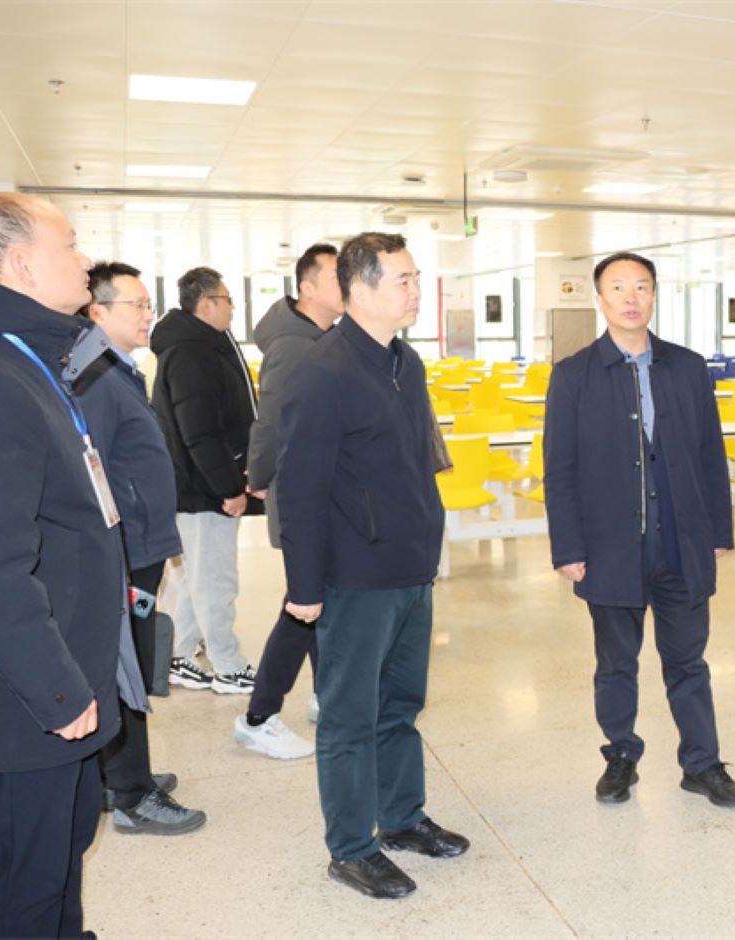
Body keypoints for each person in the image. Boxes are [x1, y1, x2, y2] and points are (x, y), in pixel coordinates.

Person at [276, 232, 467, 900]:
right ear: (358, 289)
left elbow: (417, 462)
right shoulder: (322, 372)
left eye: (416, 277)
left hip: (410, 567)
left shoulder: (404, 363)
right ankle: (352, 849)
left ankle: (403, 818)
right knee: (350, 718)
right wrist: (304, 586)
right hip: (355, 575)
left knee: (400, 706)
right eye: (402, 280)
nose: (416, 291)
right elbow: (299, 488)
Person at [544, 251, 735, 808]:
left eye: (641, 286)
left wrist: (718, 530)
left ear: (655, 295)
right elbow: (559, 469)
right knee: (616, 664)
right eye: (618, 287)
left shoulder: (687, 367)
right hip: (609, 548)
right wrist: (568, 547)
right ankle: (620, 757)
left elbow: (711, 455)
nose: (631, 298)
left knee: (688, 662)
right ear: (599, 299)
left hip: (681, 545)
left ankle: (702, 765)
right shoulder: (574, 375)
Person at [0, 192, 120, 936]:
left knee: (62, 852)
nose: (86, 259)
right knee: (20, 886)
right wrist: (58, 691)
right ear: (23, 265)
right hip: (23, 702)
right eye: (70, 245)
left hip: (62, 669)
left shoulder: (32, 358)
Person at [74, 261, 207, 835]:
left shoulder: (118, 369)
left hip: (142, 544)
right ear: (97, 312)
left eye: (148, 303)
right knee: (128, 665)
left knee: (132, 657)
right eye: (135, 305)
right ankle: (132, 794)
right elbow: (94, 471)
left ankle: (124, 774)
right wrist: (124, 548)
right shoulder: (95, 378)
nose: (148, 314)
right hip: (126, 547)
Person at [234, 243, 341, 761]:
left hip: (323, 493)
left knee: (317, 599)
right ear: (308, 288)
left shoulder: (323, 337)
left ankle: (325, 695)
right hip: (305, 496)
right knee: (303, 603)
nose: (348, 284)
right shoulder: (296, 346)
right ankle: (259, 716)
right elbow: (271, 418)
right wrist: (259, 476)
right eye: (337, 277)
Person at [151, 266, 261, 694]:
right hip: (203, 488)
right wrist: (228, 488)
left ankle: (179, 654)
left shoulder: (201, 346)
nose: (234, 307)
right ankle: (228, 664)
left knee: (199, 575)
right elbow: (200, 432)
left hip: (201, 484)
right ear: (206, 303)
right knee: (215, 579)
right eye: (228, 299)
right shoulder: (191, 353)